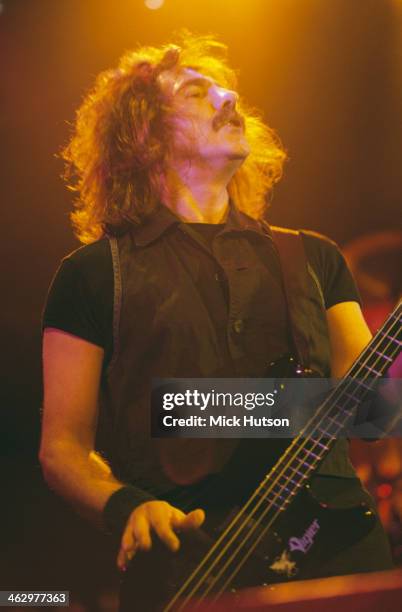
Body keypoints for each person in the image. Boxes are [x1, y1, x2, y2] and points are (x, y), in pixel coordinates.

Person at [39, 32, 394, 609]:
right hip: (194, 561)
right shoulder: (92, 276)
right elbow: (62, 447)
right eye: (198, 91)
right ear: (143, 134)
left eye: (228, 88)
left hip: (343, 558)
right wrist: (128, 505)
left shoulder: (313, 256)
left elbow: (377, 411)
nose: (229, 95)